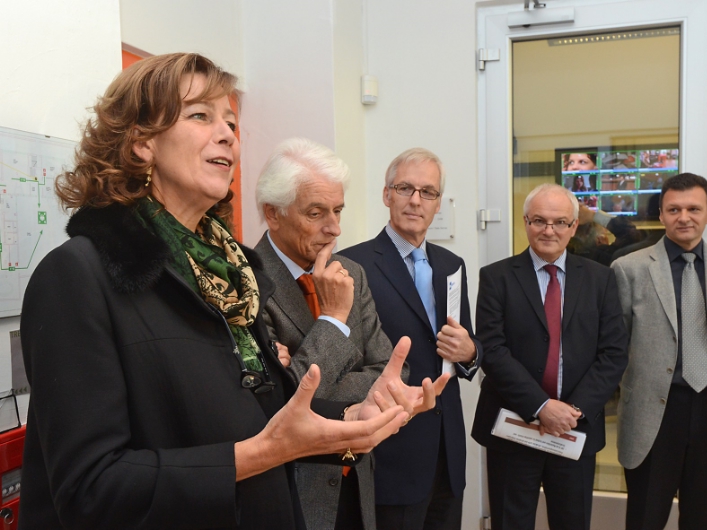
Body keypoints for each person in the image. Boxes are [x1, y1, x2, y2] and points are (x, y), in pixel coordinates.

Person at [18, 53, 448, 530]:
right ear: (141, 143)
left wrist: (354, 416)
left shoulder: (235, 275)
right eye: (200, 115)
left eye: (230, 121)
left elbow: (266, 414)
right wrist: (261, 453)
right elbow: (89, 489)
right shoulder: (76, 276)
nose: (227, 134)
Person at [254, 137, 397, 530]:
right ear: (273, 214)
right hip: (291, 490)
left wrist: (303, 376)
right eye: (315, 213)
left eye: (338, 210)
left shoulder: (352, 273)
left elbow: (387, 372)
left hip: (356, 483)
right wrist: (333, 318)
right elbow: (279, 402)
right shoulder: (246, 282)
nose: (334, 229)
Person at [340, 148, 482, 530]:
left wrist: (471, 352)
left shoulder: (452, 265)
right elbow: (344, 363)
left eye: (427, 192)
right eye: (405, 188)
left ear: (438, 203)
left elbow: (467, 346)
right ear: (387, 194)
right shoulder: (352, 266)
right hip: (391, 452)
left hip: (447, 452)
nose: (416, 200)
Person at [472, 183, 628, 530]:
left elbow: (614, 353)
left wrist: (572, 411)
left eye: (560, 222)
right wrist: (542, 407)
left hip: (574, 428)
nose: (549, 230)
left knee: (572, 522)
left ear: (574, 226)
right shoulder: (496, 277)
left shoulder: (600, 279)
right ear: (526, 222)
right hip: (513, 428)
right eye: (539, 220)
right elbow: (492, 351)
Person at [611, 173, 707, 530]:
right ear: (661, 214)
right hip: (654, 412)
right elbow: (618, 342)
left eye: (694, 209)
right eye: (674, 209)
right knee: (645, 517)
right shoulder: (628, 268)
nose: (684, 217)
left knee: (705, 518)